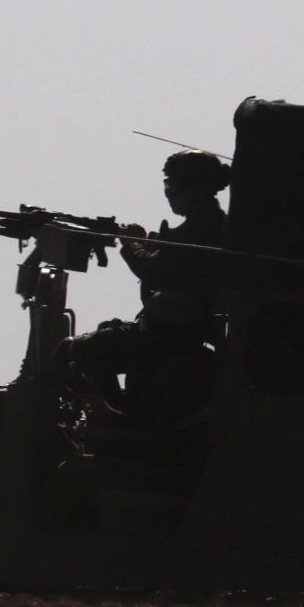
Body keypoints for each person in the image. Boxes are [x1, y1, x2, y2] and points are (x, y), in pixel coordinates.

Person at [66, 150, 231, 415]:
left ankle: (116, 418)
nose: (169, 193)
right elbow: (174, 266)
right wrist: (148, 244)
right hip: (174, 332)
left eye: (172, 185)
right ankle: (120, 415)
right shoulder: (211, 223)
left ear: (193, 187)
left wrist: (131, 243)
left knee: (74, 352)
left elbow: (155, 271)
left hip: (170, 335)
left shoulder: (202, 226)